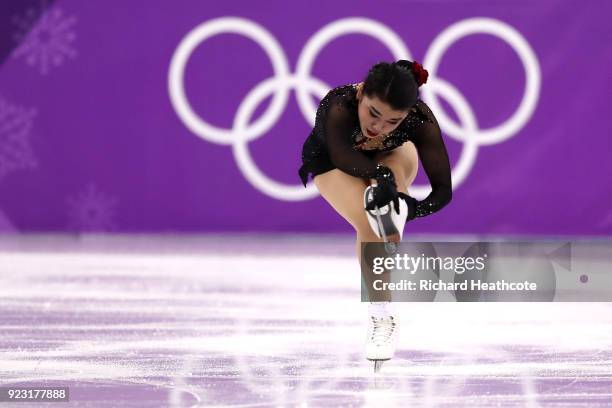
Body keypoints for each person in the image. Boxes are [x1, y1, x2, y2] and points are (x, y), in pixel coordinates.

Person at [298, 60, 453, 364]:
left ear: (407, 114)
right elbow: (343, 156)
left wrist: (413, 210)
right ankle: (382, 316)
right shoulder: (338, 105)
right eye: (373, 112)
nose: (378, 126)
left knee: (387, 197)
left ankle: (390, 211)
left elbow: (443, 190)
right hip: (331, 161)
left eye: (393, 121)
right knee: (371, 225)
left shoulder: (419, 120)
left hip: (390, 155)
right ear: (361, 94)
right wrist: (378, 178)